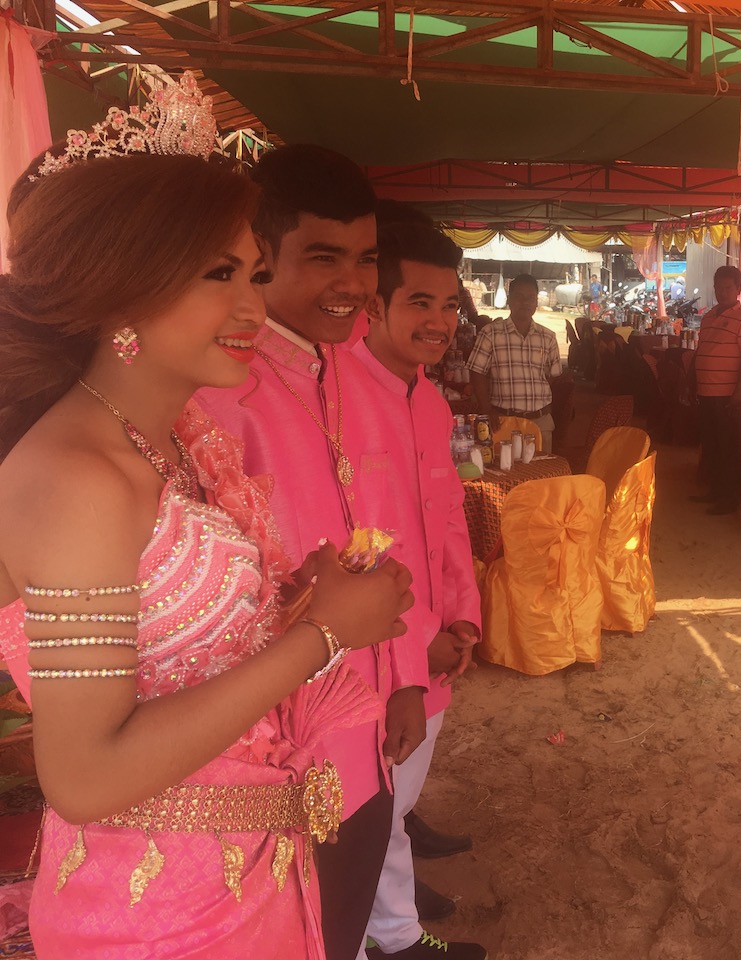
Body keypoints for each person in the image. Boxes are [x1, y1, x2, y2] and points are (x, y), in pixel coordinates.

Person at [0, 79, 411, 958]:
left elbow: (177, 643)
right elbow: (83, 776)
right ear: (118, 288)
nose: (254, 309)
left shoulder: (164, 439)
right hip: (155, 920)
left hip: (241, 876)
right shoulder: (80, 474)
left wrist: (291, 606)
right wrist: (324, 638)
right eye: (218, 275)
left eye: (254, 274)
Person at [198, 144, 431, 960]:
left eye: (366, 260)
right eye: (323, 258)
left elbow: (386, 538)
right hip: (276, 756)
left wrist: (407, 677)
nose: (354, 285)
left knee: (346, 919)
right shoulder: (220, 392)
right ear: (261, 263)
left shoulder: (359, 375)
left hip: (369, 729)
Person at [353, 203, 486, 960]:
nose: (439, 320)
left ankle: (393, 904)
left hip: (437, 643)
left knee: (393, 804)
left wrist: (462, 620)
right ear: (376, 303)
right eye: (418, 302)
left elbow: (451, 526)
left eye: (448, 303)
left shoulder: (428, 398)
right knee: (370, 805)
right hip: (383, 660)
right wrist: (414, 651)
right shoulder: (338, 402)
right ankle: (398, 939)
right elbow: (350, 556)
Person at [690, 265, 741, 515]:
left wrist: (738, 392)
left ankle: (729, 499)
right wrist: (691, 382)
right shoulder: (708, 317)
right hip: (705, 392)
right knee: (712, 445)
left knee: (729, 447)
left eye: (727, 288)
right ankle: (715, 491)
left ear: (739, 289)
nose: (722, 292)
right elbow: (702, 351)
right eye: (718, 287)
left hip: (728, 394)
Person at [468, 273, 562, 452]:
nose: (525, 302)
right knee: (504, 474)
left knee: (541, 475)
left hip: (540, 421)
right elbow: (476, 372)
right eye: (519, 296)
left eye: (530, 297)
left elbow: (553, 377)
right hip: (503, 421)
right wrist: (487, 408)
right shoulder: (490, 333)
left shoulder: (548, 337)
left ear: (536, 302)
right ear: (510, 299)